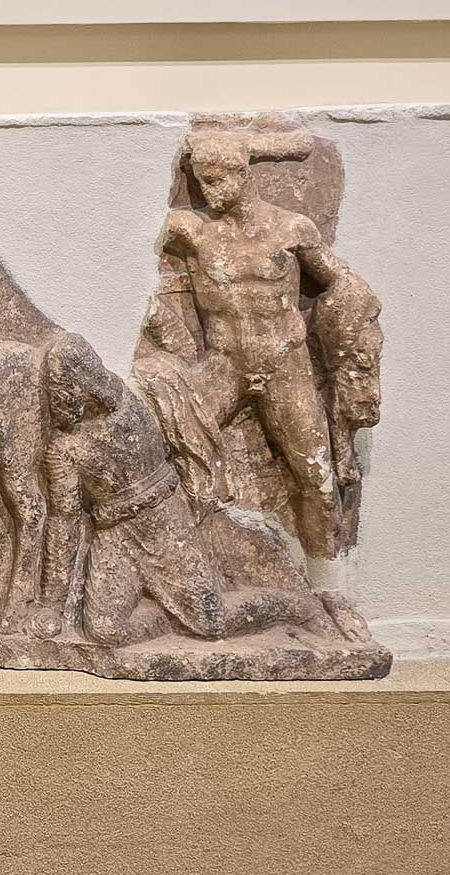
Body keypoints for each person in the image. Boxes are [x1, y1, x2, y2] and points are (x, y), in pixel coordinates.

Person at [147, 128, 377, 558]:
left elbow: (344, 286)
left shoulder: (292, 229)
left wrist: (350, 354)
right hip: (224, 364)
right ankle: (190, 561)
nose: (209, 192)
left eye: (217, 180)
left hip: (284, 365)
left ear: (243, 174)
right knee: (160, 449)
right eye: (201, 182)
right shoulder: (194, 232)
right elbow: (130, 229)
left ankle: (326, 579)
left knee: (316, 478)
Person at [38, 333, 330, 646]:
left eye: (64, 386)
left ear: (86, 379)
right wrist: (52, 605)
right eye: (55, 389)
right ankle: (169, 621)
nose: (59, 398)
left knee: (212, 620)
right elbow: (63, 520)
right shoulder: (63, 449)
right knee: (104, 629)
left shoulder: (141, 396)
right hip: (115, 536)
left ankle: (298, 607)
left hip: (166, 526)